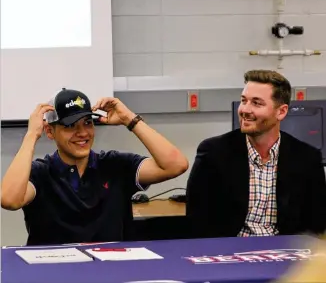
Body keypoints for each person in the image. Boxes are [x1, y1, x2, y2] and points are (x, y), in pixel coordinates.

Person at [1, 88, 188, 245]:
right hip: (54, 274)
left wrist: (129, 119)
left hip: (110, 273)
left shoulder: (115, 164)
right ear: (50, 131)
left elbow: (176, 165)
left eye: (88, 123)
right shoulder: (40, 172)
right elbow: (9, 200)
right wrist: (31, 135)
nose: (82, 133)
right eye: (70, 126)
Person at [186, 69, 326, 238]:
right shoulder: (214, 153)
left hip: (285, 254)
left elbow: (316, 225)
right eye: (243, 101)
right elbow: (196, 222)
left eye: (256, 103)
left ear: (281, 112)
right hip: (230, 252)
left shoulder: (306, 158)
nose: (245, 109)